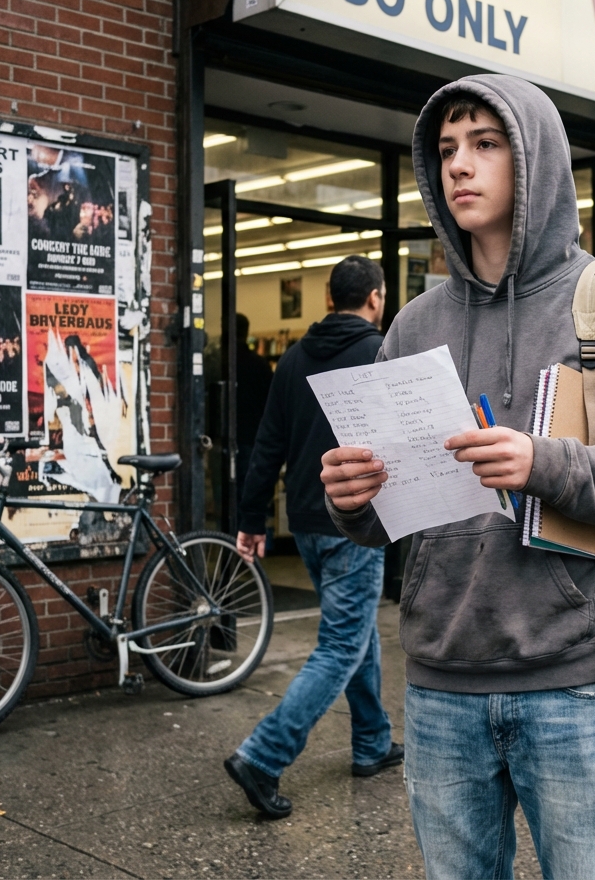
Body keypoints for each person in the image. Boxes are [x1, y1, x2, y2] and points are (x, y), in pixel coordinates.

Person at [321, 76, 595, 879]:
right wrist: (352, 499)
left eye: (486, 144)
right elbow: (388, 513)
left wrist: (542, 462)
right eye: (448, 149)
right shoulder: (416, 323)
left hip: (574, 682)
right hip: (440, 680)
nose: (461, 164)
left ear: (537, 163)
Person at [224, 255, 400, 820]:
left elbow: (266, 443)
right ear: (375, 297)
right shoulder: (380, 353)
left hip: (304, 521)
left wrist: (252, 519)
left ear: (328, 299)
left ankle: (372, 742)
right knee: (342, 643)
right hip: (357, 520)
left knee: (355, 629)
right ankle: (263, 755)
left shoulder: (295, 357)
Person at [232, 313, 274, 496]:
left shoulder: (221, 363)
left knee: (226, 496)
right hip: (253, 435)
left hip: (231, 435)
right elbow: (272, 404)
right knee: (249, 491)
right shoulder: (260, 364)